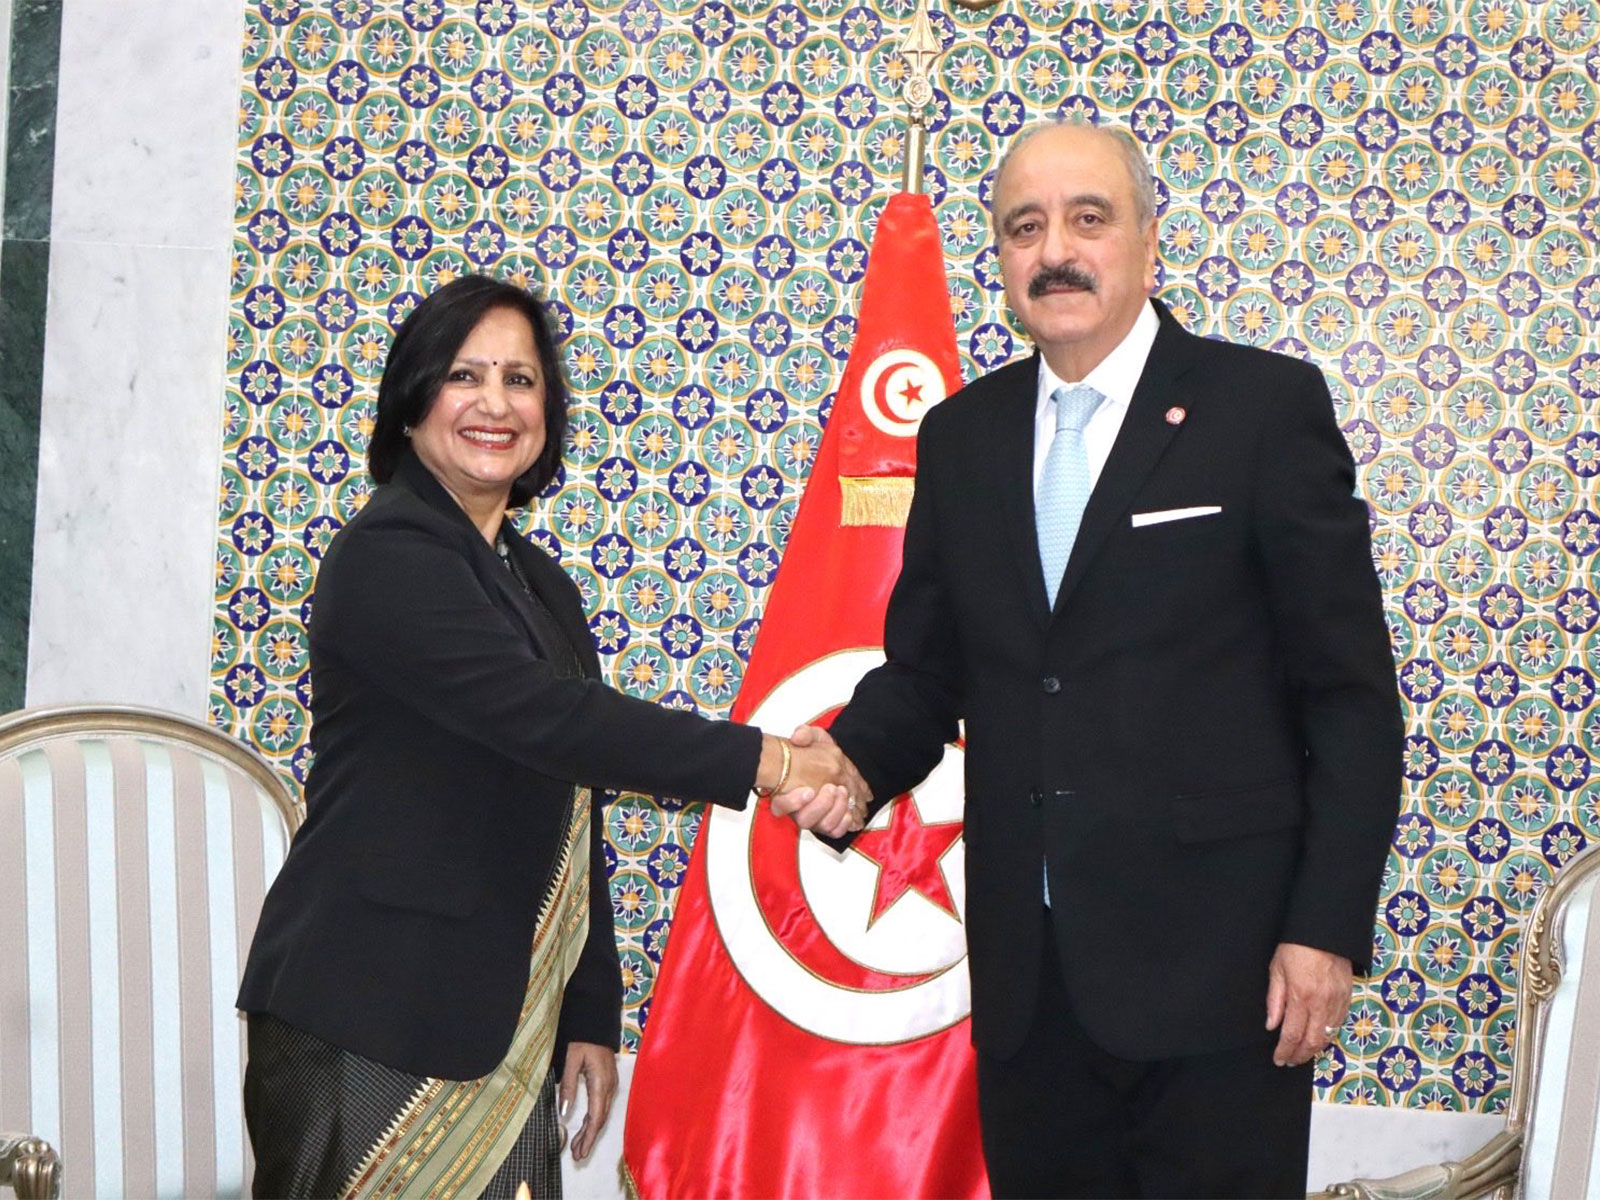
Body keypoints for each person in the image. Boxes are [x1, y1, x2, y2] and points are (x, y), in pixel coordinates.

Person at [795, 121, 1403, 1197]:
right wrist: (847, 764)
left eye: (1088, 218)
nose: (1055, 252)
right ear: (999, 257)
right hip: (1031, 988)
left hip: (1224, 976)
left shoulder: (1262, 409)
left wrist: (1323, 930)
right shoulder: (962, 436)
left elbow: (1349, 697)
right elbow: (927, 671)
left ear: (1148, 242)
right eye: (1024, 228)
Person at [237, 274, 864, 1199]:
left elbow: (574, 797)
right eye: (464, 376)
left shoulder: (540, 585)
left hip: (501, 1022)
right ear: (412, 401)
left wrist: (589, 1009)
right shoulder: (388, 554)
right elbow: (550, 719)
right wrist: (769, 760)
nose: (495, 404)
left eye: (520, 380)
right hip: (370, 1013)